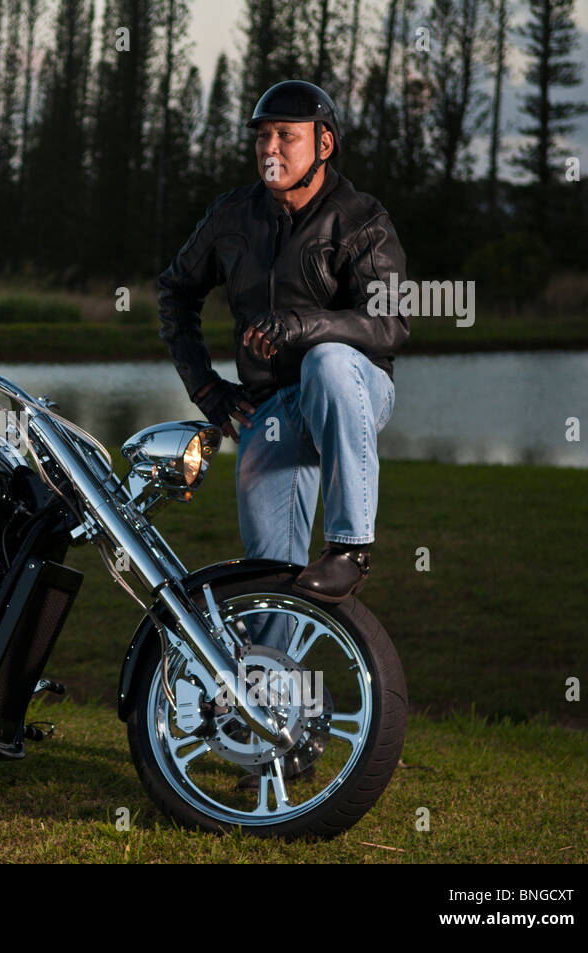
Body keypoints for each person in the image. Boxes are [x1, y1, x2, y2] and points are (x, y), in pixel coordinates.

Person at [156, 79, 409, 608]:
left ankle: (350, 548)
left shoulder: (362, 219)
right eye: (262, 136)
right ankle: (276, 687)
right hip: (270, 407)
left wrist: (300, 325)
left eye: (286, 135)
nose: (270, 148)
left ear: (324, 144)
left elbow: (390, 324)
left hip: (353, 390)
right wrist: (206, 389)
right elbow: (175, 293)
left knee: (329, 360)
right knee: (271, 581)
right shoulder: (231, 216)